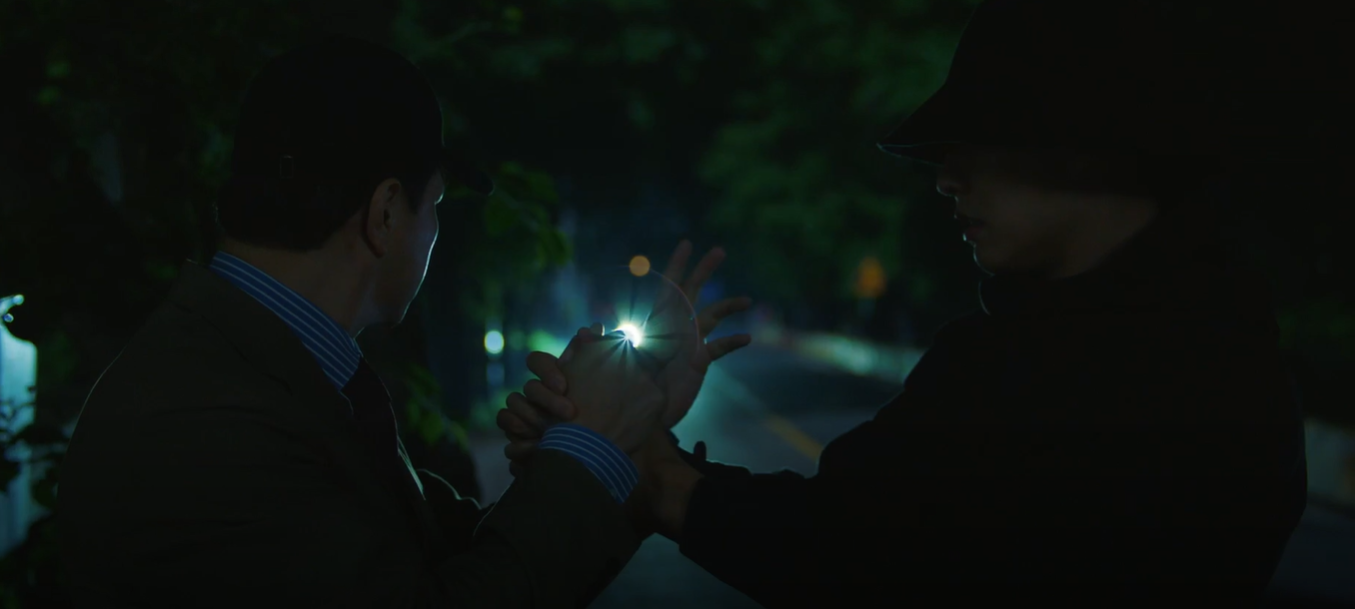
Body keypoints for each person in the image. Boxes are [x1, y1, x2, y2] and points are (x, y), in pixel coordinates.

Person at [498, 0, 1310, 603]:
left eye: (976, 143)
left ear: (1084, 145)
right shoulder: (1232, 345)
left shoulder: (1031, 370)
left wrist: (636, 460)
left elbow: (850, 549)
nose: (944, 178)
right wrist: (641, 458)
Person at [57, 36, 701, 608]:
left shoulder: (263, 367)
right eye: (436, 204)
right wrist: (588, 450)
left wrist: (611, 444)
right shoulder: (209, 416)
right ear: (386, 213)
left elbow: (447, 567)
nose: (434, 231)